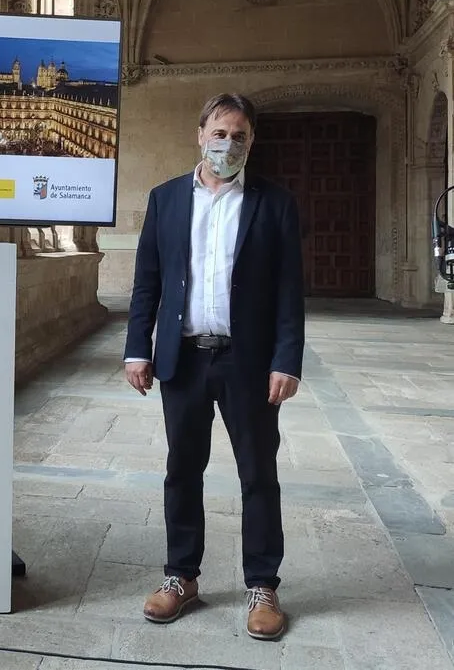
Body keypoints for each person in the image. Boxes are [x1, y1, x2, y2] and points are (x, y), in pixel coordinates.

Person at [123, 93, 305, 640]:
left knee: (257, 474)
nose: (229, 144)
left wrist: (286, 359)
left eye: (241, 135)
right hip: (183, 360)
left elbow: (289, 291)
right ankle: (181, 577)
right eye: (220, 133)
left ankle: (263, 587)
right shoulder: (166, 199)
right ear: (200, 134)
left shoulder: (274, 203)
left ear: (252, 142)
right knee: (183, 470)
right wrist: (138, 347)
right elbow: (148, 281)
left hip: (247, 362)